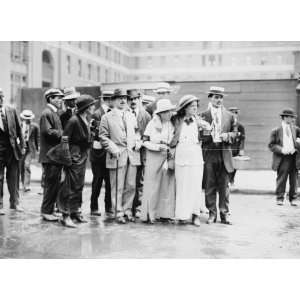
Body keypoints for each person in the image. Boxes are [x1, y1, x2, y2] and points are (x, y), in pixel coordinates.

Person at [100, 88, 142, 224]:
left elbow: (137, 133)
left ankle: (127, 210)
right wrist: (113, 148)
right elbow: (103, 137)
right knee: (117, 186)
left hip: (132, 155)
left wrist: (137, 141)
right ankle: (118, 212)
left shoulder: (131, 115)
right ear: (113, 101)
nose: (123, 100)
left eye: (125, 98)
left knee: (131, 185)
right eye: (120, 98)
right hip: (117, 156)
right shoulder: (106, 117)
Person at [170, 95, 211, 226]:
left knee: (195, 186)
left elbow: (206, 137)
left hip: (195, 156)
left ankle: (195, 215)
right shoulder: (176, 120)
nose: (195, 108)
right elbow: (171, 136)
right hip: (181, 155)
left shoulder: (199, 121)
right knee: (182, 186)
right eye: (192, 106)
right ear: (185, 108)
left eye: (195, 106)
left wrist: (206, 129)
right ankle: (182, 215)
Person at [201, 86, 237, 225]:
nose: (219, 100)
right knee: (209, 184)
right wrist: (208, 134)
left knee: (224, 185)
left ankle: (224, 213)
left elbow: (235, 134)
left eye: (221, 97)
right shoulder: (203, 115)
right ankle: (212, 213)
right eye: (216, 97)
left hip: (224, 154)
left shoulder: (229, 115)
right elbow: (199, 136)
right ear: (210, 98)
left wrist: (227, 135)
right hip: (210, 153)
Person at [58, 95, 95, 227]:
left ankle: (75, 212)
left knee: (78, 186)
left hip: (82, 156)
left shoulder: (85, 119)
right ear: (86, 107)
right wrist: (67, 158)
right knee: (69, 187)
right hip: (74, 157)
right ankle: (65, 215)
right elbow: (64, 139)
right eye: (92, 106)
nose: (93, 108)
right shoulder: (74, 120)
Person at [141, 99, 176, 224]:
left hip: (167, 156)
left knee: (166, 185)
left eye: (170, 111)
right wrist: (157, 147)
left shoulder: (172, 124)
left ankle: (164, 214)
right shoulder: (152, 123)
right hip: (154, 155)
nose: (169, 114)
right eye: (166, 112)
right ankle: (150, 214)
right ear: (160, 113)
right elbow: (144, 141)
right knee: (152, 186)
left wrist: (169, 150)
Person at [39, 88, 64, 221]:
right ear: (50, 99)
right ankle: (46, 211)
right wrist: (64, 135)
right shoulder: (47, 113)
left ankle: (49, 210)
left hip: (54, 156)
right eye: (57, 98)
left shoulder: (53, 113)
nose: (60, 100)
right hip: (50, 156)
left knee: (54, 184)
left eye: (61, 98)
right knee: (50, 185)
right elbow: (48, 132)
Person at [0, 88, 25, 216]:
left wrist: (23, 146)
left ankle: (14, 203)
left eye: (0, 97)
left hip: (12, 149)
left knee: (14, 177)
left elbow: (20, 129)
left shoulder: (11, 110)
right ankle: (0, 205)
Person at [127, 89, 151, 218]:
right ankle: (127, 207)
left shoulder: (145, 115)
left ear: (139, 100)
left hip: (141, 152)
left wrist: (141, 142)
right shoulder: (124, 114)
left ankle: (137, 207)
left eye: (135, 99)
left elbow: (149, 134)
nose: (133, 101)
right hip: (128, 153)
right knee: (128, 182)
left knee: (140, 181)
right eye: (130, 99)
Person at [268, 108, 300, 206]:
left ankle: (293, 198)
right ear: (284, 117)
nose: (291, 119)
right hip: (282, 158)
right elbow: (271, 145)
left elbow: (298, 142)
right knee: (282, 178)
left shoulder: (296, 129)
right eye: (289, 117)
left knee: (294, 179)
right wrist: (281, 150)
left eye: (292, 117)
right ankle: (280, 197)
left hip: (294, 157)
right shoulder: (276, 131)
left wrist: (297, 145)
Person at [89, 91, 113, 217]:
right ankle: (94, 207)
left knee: (109, 182)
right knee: (97, 181)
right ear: (105, 100)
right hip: (98, 155)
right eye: (110, 99)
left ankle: (108, 206)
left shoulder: (112, 113)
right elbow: (96, 133)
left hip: (108, 154)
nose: (112, 102)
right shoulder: (97, 114)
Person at [19, 109, 39, 192]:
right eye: (25, 118)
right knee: (21, 167)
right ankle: (23, 184)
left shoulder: (34, 126)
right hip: (21, 148)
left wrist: (37, 149)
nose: (27, 119)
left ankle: (27, 185)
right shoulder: (19, 125)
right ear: (22, 118)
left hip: (30, 149)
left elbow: (37, 138)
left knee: (26, 165)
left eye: (29, 118)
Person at [228, 107, 246, 186]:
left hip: (235, 148)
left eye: (235, 113)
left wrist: (241, 149)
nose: (233, 114)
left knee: (235, 165)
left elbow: (242, 139)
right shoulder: (226, 125)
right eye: (232, 113)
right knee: (226, 164)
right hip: (227, 148)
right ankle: (226, 180)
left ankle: (231, 180)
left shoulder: (240, 126)